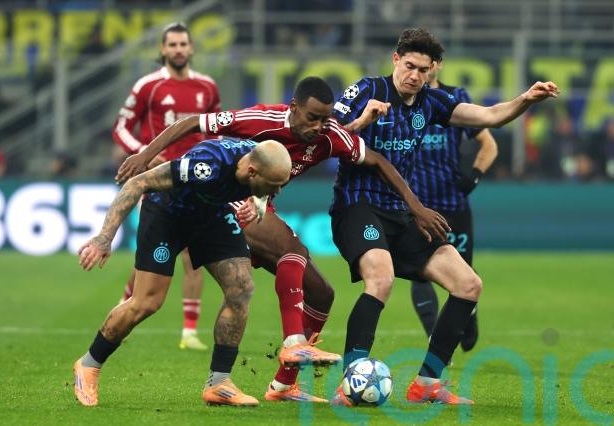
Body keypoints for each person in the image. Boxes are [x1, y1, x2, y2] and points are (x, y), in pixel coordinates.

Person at [116, 76, 448, 403]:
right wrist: (145, 155)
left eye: (324, 119)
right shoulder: (261, 119)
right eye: (312, 117)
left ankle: (283, 386)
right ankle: (293, 342)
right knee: (293, 249)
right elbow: (192, 122)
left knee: (322, 293)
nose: (319, 126)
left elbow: (376, 160)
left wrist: (415, 207)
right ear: (293, 107)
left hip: (263, 205)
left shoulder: (328, 134)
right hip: (229, 202)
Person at [330, 28, 558, 405]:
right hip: (358, 206)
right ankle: (350, 382)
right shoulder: (367, 89)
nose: (414, 75)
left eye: (423, 69)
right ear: (395, 60)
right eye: (409, 66)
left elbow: (490, 116)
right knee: (381, 278)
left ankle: (427, 384)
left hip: (402, 212)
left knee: (469, 285)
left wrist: (526, 99)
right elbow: (325, 136)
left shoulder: (432, 102)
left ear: (434, 68)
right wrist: (361, 124)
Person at [73, 139, 291, 408]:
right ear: (252, 172)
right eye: (274, 185)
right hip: (167, 216)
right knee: (146, 303)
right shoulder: (206, 165)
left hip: (211, 217)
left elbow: (265, 185)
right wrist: (105, 238)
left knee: (241, 288)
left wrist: (259, 200)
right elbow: (136, 183)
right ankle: (89, 364)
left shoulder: (262, 160)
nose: (278, 190)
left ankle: (219, 382)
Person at [112, 22, 221, 350]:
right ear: (162, 49)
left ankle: (189, 332)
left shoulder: (207, 86)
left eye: (183, 44)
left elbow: (216, 131)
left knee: (192, 254)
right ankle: (123, 309)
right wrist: (143, 154)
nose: (178, 49)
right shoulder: (149, 86)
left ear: (191, 48)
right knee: (150, 255)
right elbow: (121, 127)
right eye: (172, 44)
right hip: (158, 180)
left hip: (198, 180)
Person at [409, 58, 498, 351]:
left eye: (427, 64)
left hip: (454, 205)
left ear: (438, 65)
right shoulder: (402, 100)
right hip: (418, 207)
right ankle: (434, 336)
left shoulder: (456, 98)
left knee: (463, 275)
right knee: (418, 271)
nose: (422, 71)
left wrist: (474, 176)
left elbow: (489, 144)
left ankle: (469, 315)